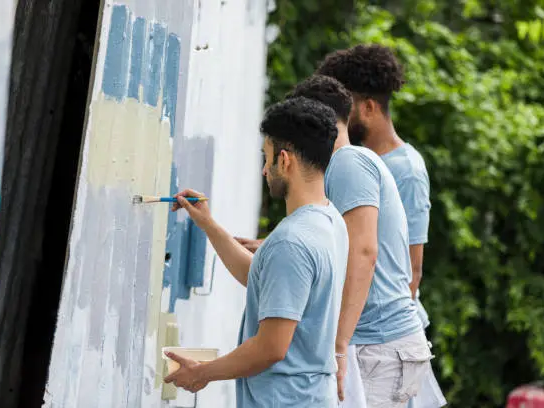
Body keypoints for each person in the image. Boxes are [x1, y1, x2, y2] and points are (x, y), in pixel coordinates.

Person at [237, 74, 434, 408]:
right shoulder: (348, 165)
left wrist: (338, 347)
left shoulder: (347, 162)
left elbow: (364, 252)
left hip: (378, 343)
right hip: (379, 342)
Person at [164, 97, 349, 407]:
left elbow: (270, 348)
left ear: (285, 161)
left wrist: (202, 373)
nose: (265, 170)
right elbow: (262, 280)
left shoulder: (291, 241)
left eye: (267, 158)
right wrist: (208, 225)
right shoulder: (331, 221)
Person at [317, 44, 446, 408]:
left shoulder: (406, 170)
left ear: (369, 108)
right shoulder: (352, 162)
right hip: (358, 337)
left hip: (382, 342)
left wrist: (351, 343)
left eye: (345, 109)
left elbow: (410, 271)